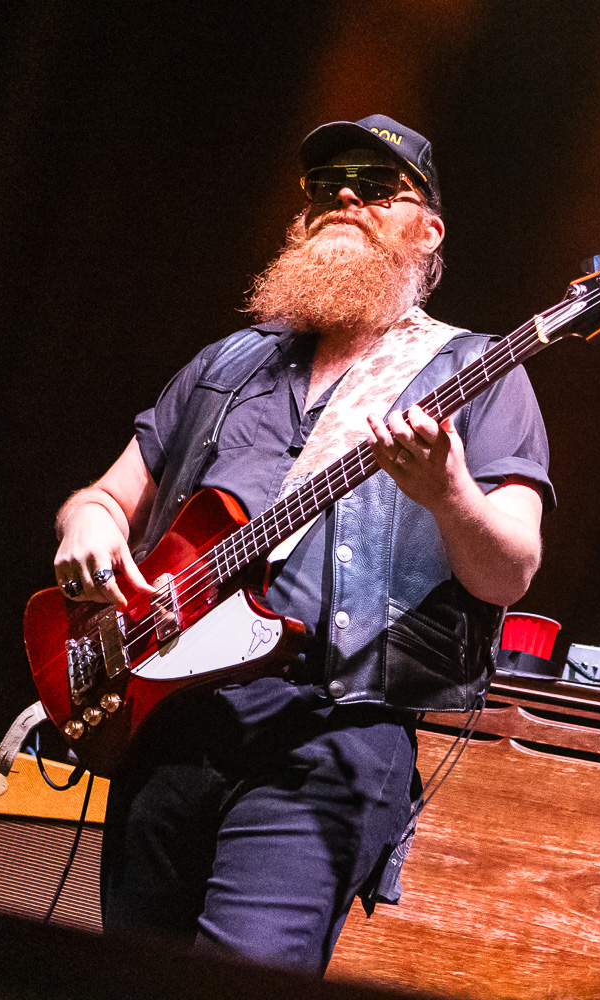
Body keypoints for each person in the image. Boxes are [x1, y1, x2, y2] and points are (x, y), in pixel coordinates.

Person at [49, 115, 553, 973]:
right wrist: (89, 526)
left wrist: (450, 493)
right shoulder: (227, 365)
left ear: (427, 232)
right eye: (326, 186)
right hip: (168, 723)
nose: (345, 197)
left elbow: (510, 570)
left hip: (326, 735)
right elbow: (103, 496)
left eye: (376, 187)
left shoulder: (476, 372)